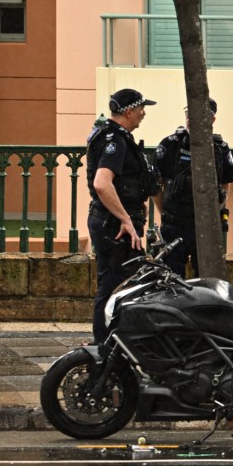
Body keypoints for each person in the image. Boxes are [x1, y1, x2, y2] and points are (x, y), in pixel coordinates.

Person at [87, 88, 158, 343]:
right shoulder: (115, 140)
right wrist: (126, 218)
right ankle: (105, 346)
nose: (143, 113)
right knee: (115, 286)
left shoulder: (114, 136)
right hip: (115, 225)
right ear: (128, 111)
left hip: (112, 220)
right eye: (141, 108)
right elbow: (102, 183)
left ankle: (112, 343)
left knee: (119, 283)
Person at [154, 99, 233, 277]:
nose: (191, 118)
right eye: (188, 113)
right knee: (170, 277)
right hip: (174, 223)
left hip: (206, 224)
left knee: (207, 280)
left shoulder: (220, 148)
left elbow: (226, 182)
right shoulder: (170, 144)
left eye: (199, 114)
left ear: (212, 119)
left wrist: (218, 209)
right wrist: (165, 212)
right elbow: (156, 183)